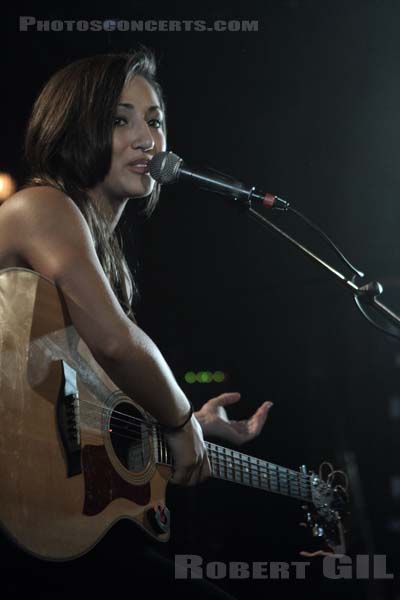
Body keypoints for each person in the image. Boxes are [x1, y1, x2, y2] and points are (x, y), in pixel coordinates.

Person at [0, 49, 272, 596]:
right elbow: (117, 343)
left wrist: (188, 422)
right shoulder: (41, 206)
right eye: (119, 119)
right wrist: (177, 420)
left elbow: (84, 402)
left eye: (155, 121)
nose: (147, 138)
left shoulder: (103, 248)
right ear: (73, 127)